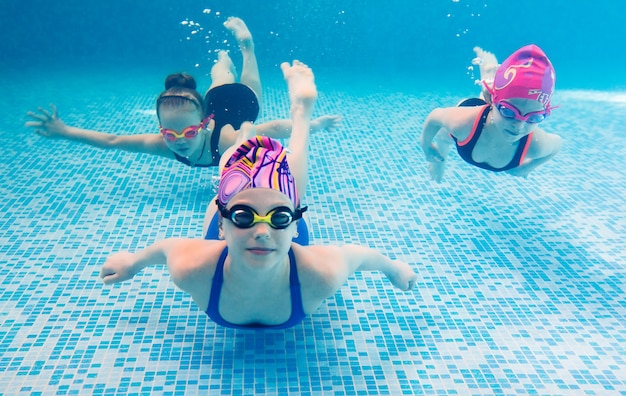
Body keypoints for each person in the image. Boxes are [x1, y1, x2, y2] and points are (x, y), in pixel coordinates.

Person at [100, 60, 417, 330]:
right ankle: (266, 135)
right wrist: (133, 262)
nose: (262, 232)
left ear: (294, 227)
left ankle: (299, 116)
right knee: (240, 171)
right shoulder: (194, 268)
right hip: (242, 219)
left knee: (273, 182)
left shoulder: (320, 273)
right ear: (223, 228)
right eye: (243, 218)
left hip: (276, 225)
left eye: (279, 220)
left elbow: (359, 256)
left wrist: (393, 268)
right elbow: (167, 249)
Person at [25, 17, 342, 168]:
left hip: (241, 108)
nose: (178, 140)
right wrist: (63, 131)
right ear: (161, 129)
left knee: (247, 79)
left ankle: (246, 45)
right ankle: (220, 62)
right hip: (216, 101)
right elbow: (113, 142)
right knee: (218, 80)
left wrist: (311, 125)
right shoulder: (167, 144)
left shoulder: (229, 140)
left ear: (203, 124)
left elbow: (272, 130)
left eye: (188, 131)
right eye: (169, 132)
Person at [420, 44, 562, 182]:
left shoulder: (536, 145)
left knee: (499, 103)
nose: (518, 126)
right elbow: (435, 116)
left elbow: (557, 144)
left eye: (534, 117)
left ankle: (493, 85)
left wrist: (527, 168)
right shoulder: (462, 123)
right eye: (509, 112)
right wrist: (426, 148)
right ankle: (489, 78)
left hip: (494, 110)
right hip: (477, 118)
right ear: (491, 100)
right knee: (444, 137)